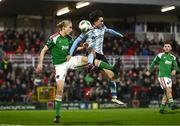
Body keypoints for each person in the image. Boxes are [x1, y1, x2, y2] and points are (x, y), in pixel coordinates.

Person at [35, 20, 122, 123]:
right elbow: (43, 50)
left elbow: (75, 48)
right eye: (70, 27)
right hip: (60, 66)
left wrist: (83, 47)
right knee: (60, 89)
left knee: (87, 59)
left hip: (70, 60)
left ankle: (112, 68)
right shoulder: (54, 38)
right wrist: (40, 63)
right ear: (64, 28)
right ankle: (57, 116)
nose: (71, 30)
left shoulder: (69, 39)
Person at [69, 10, 124, 105]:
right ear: (95, 22)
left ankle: (114, 98)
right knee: (91, 48)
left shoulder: (102, 28)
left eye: (103, 21)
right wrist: (70, 54)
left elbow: (109, 30)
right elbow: (76, 41)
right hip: (91, 54)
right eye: (101, 21)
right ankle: (90, 64)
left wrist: (118, 34)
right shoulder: (87, 30)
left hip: (101, 55)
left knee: (112, 76)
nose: (102, 22)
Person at [146, 41, 179, 113]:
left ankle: (161, 109)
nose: (167, 48)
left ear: (171, 48)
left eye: (168, 46)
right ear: (163, 48)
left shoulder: (173, 57)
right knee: (168, 90)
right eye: (165, 46)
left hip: (169, 77)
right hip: (162, 76)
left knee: (166, 93)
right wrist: (149, 70)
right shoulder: (160, 55)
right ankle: (172, 104)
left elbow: (175, 66)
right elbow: (153, 62)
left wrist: (174, 70)